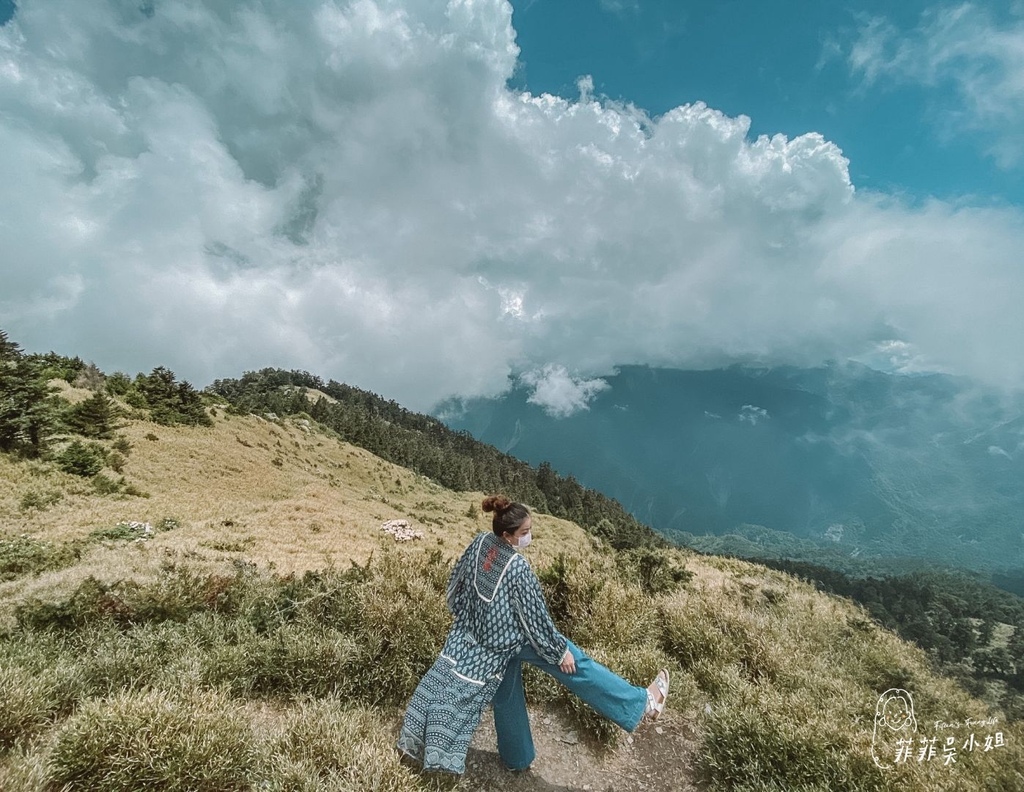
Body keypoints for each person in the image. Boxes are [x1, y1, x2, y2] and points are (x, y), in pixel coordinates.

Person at [396, 495, 670, 776]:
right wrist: (557, 650)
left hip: (479, 639)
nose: (529, 537)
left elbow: (456, 585)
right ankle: (641, 704)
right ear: (507, 535)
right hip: (509, 641)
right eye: (524, 533)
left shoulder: (480, 543)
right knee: (577, 664)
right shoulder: (518, 568)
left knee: (506, 691)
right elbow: (535, 618)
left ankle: (517, 757)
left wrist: (470, 623)